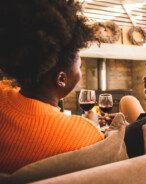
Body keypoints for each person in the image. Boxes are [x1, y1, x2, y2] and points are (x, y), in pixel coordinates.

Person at [0, 0, 103, 173]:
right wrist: (91, 123)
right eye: (79, 66)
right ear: (61, 79)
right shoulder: (88, 136)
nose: (80, 71)